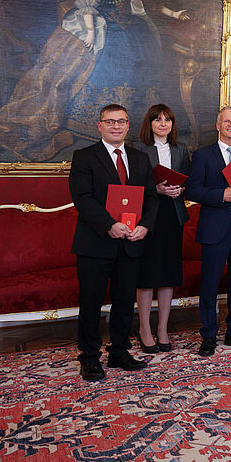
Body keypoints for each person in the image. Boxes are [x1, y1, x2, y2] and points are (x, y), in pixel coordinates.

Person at [0, 0, 191, 162]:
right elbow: (88, 5)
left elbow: (152, 4)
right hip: (106, 29)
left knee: (137, 69)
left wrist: (174, 14)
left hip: (133, 31)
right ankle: (89, 122)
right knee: (100, 66)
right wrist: (90, 32)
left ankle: (128, 122)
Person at [70, 103, 159, 380]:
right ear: (100, 125)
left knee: (124, 301)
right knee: (91, 302)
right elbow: (82, 199)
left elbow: (151, 198)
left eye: (121, 121)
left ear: (128, 125)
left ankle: (119, 351)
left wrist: (145, 226)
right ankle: (89, 357)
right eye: (110, 122)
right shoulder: (84, 156)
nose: (116, 126)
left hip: (132, 242)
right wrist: (109, 225)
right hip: (96, 244)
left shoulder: (140, 158)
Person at [185, 106, 231, 356]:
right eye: (226, 121)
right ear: (218, 125)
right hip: (215, 228)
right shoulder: (203, 155)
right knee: (209, 284)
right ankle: (208, 335)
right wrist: (222, 194)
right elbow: (193, 190)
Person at [130, 104, 190, 354]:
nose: (163, 123)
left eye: (168, 119)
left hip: (173, 215)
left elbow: (188, 178)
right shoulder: (138, 149)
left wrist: (180, 189)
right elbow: (132, 185)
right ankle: (144, 329)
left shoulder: (181, 149)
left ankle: (163, 329)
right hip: (148, 216)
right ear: (150, 123)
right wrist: (158, 189)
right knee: (147, 275)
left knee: (168, 274)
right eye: (158, 119)